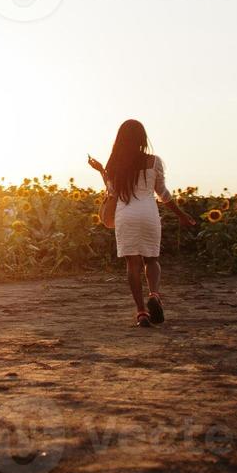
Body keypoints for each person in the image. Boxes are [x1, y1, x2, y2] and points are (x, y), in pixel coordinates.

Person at [87, 119, 197, 327]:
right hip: (148, 213)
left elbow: (112, 193)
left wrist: (102, 170)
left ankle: (141, 312)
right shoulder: (153, 161)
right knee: (152, 260)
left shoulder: (114, 165)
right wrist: (182, 215)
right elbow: (163, 194)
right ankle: (154, 294)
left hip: (126, 214)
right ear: (142, 138)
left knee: (132, 264)